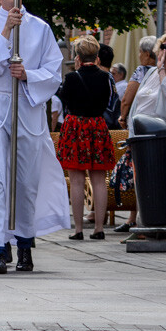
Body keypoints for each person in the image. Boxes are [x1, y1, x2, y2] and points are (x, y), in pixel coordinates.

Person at [0, 0, 69, 274]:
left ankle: (25, 243)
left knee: (26, 181)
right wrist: (5, 33)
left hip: (27, 106)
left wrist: (29, 75)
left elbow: (54, 71)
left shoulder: (40, 28)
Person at [57, 36, 115, 240]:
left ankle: (79, 229)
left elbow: (64, 99)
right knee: (99, 180)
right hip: (98, 126)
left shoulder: (72, 78)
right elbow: (107, 100)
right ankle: (99, 228)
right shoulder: (105, 78)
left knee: (77, 179)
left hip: (76, 127)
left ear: (77, 57)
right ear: (97, 56)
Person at [113, 36, 158, 232]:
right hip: (160, 126)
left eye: (141, 52)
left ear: (147, 54)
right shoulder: (164, 72)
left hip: (139, 127)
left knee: (139, 173)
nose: (139, 55)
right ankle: (136, 217)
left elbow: (126, 99)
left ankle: (137, 219)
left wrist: (123, 117)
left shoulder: (142, 71)